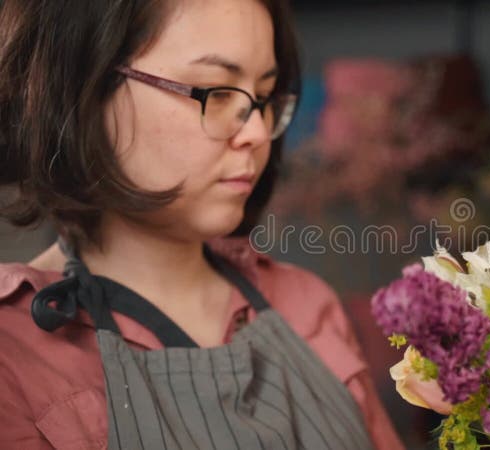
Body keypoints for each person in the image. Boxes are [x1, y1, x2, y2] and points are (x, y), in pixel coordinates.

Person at [0, 1, 404, 449]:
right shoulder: (12, 352)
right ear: (83, 87)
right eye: (215, 91)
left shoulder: (307, 305)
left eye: (264, 99)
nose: (256, 132)